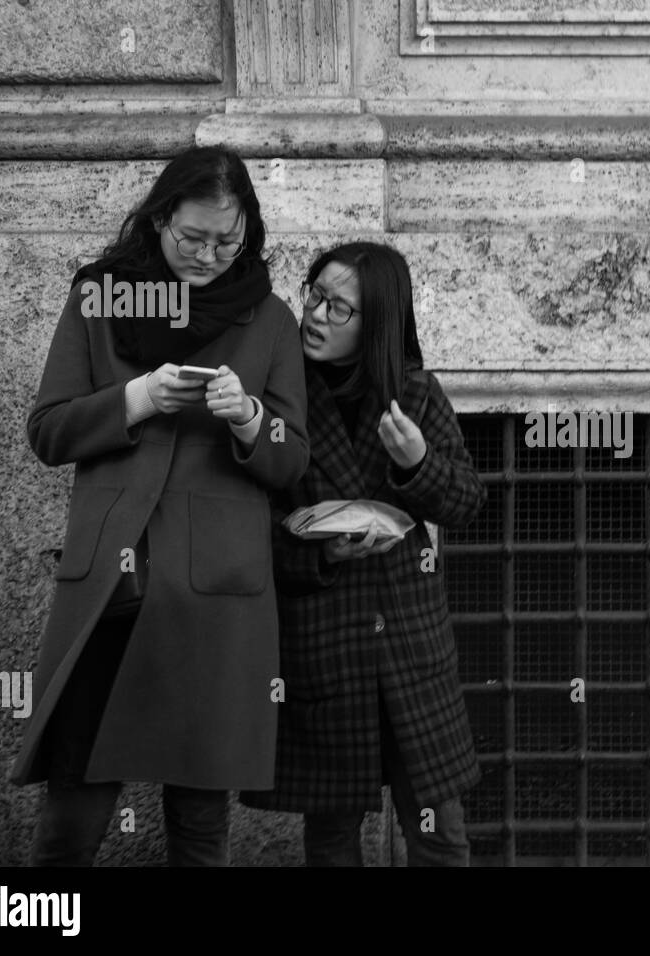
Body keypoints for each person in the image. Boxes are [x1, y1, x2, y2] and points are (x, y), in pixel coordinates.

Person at [12, 145, 310, 866]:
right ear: (157, 220)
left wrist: (246, 418)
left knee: (200, 827)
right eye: (192, 238)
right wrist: (137, 398)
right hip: (113, 592)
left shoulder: (269, 319)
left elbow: (293, 457)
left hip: (214, 599)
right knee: (70, 823)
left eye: (228, 241)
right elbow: (48, 429)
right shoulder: (99, 296)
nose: (209, 255)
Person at [241, 242, 485, 866]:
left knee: (437, 832)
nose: (317, 315)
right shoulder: (278, 394)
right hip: (323, 638)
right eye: (314, 297)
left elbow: (466, 502)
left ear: (376, 323)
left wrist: (417, 464)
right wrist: (323, 555)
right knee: (331, 837)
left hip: (409, 642)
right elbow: (250, 525)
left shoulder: (415, 393)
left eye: (338, 307)